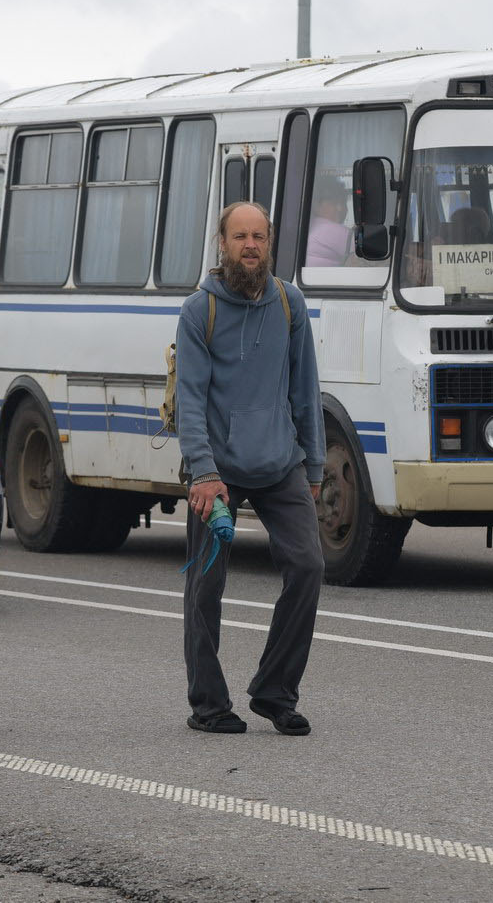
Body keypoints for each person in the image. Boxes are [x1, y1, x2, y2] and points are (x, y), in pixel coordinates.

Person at [175, 200, 326, 736]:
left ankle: (274, 693)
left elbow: (305, 389)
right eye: (240, 236)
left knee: (308, 566)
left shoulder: (291, 303)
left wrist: (314, 467)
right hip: (217, 470)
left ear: (269, 241)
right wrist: (203, 472)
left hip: (281, 460)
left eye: (258, 236)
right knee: (206, 585)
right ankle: (209, 704)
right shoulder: (200, 311)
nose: (250, 246)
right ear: (223, 243)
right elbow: (190, 400)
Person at [303, 181, 352, 266]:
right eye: (334, 202)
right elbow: (371, 252)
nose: (340, 208)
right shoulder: (327, 229)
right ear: (316, 205)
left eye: (343, 202)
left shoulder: (311, 226)